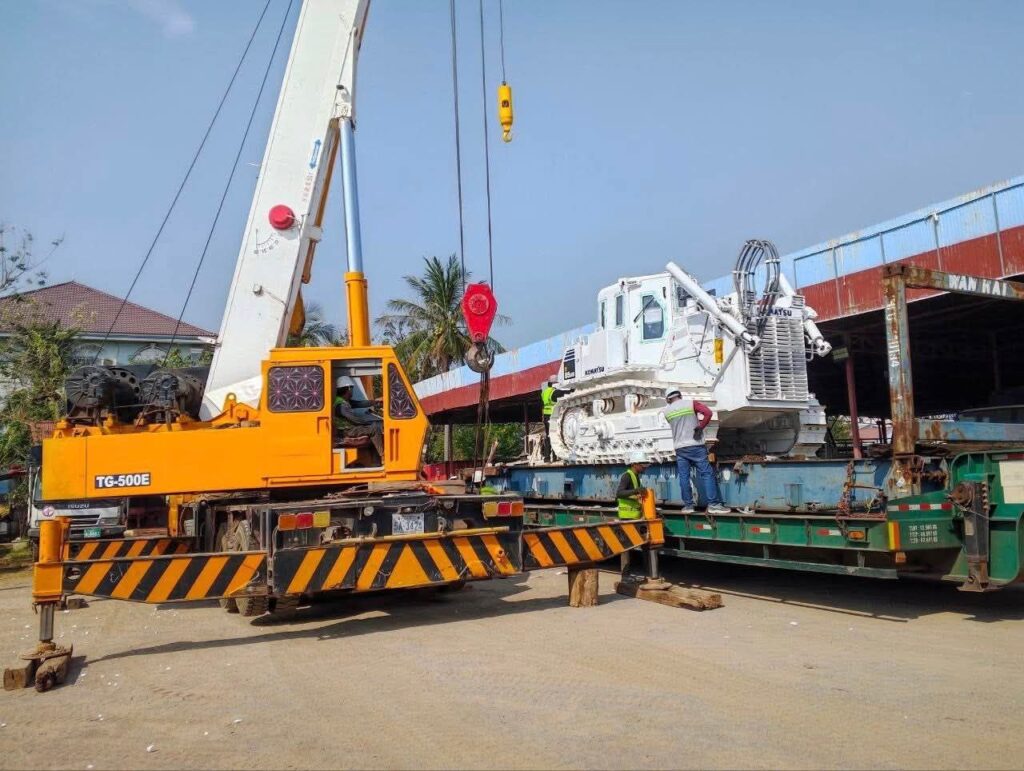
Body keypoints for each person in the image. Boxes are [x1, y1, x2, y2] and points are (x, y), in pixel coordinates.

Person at [661, 389, 730, 515]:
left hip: (680, 448)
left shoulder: (666, 412)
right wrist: (700, 427)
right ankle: (713, 505)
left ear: (668, 399)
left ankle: (688, 506)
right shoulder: (691, 403)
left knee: (684, 476)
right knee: (707, 473)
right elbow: (708, 413)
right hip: (696, 445)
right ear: (679, 395)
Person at [334, 380, 384, 460]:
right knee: (374, 429)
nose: (352, 391)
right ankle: (383, 456)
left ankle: (376, 459)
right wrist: (367, 423)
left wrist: (376, 401)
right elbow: (354, 419)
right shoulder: (341, 404)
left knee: (373, 427)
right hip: (346, 431)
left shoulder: (343, 400)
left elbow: (360, 403)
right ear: (349, 389)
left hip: (348, 429)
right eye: (352, 389)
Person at [540, 375, 571, 462]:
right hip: (552, 417)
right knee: (555, 435)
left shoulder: (544, 392)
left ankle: (547, 457)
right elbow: (565, 393)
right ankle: (555, 456)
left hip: (546, 416)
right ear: (555, 383)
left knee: (548, 436)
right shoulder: (554, 392)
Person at [616, 450, 650, 519]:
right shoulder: (627, 476)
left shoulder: (636, 476)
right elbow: (619, 493)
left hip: (634, 516)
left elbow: (633, 495)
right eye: (643, 466)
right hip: (627, 517)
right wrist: (636, 490)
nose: (645, 468)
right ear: (634, 464)